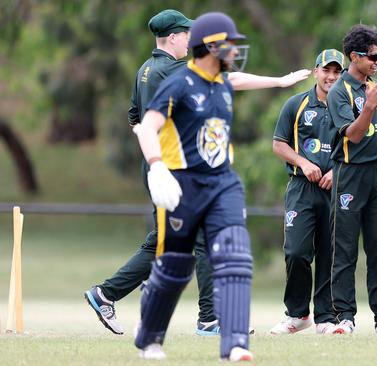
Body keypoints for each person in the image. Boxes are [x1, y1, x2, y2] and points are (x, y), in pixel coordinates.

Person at [83, 9, 310, 337]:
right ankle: (210, 318)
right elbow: (226, 79)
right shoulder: (176, 71)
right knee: (200, 239)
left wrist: (153, 150)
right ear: (173, 37)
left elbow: (135, 119)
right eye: (186, 35)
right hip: (176, 168)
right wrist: (278, 80)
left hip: (160, 165)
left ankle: (107, 294)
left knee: (166, 241)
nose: (191, 40)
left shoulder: (145, 70)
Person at [131, 11, 257, 361]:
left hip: (222, 183)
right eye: (228, 44)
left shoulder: (224, 85)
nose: (234, 50)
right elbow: (146, 127)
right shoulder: (178, 82)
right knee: (174, 267)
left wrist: (281, 81)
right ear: (209, 47)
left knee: (234, 254)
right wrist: (157, 168)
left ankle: (234, 343)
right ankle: (151, 338)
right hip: (183, 184)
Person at [327, 24, 377, 335]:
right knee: (345, 248)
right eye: (372, 56)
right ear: (354, 56)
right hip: (350, 175)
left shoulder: (374, 87)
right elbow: (356, 136)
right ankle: (344, 318)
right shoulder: (340, 92)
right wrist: (370, 105)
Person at [269, 49, 345, 335]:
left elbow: (358, 147)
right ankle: (298, 314)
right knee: (297, 252)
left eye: (338, 72)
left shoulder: (348, 106)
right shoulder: (296, 104)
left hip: (336, 190)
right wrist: (303, 162)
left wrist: (336, 172)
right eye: (327, 70)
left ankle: (326, 317)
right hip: (301, 188)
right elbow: (279, 144)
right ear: (316, 71)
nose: (331, 77)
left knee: (329, 254)